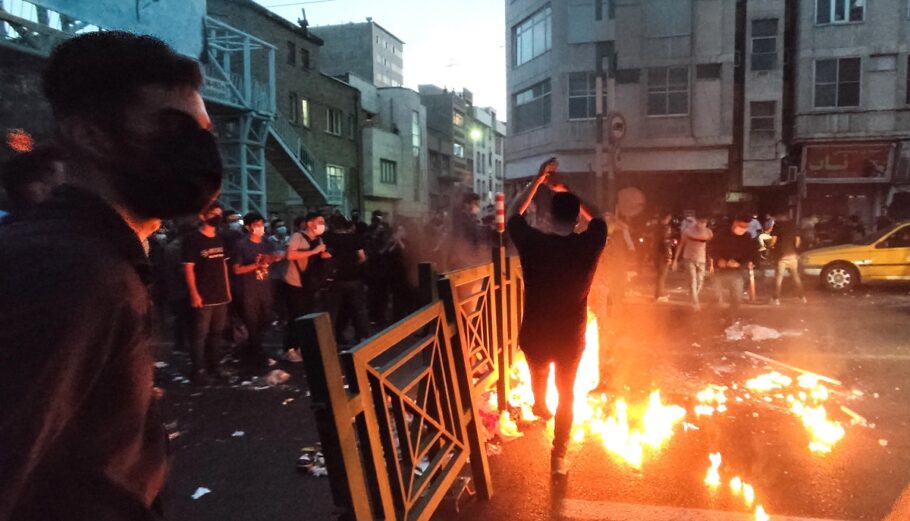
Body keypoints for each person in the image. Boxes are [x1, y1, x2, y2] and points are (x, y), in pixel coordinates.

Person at [0, 31, 221, 520]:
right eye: (171, 128)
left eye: (203, 132)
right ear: (89, 136)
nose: (197, 151)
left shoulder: (100, 255)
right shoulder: (69, 272)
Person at [506, 158, 607, 477]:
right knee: (567, 393)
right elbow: (601, 216)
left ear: (548, 217)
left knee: (539, 377)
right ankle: (559, 456)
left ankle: (538, 403)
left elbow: (512, 214)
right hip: (570, 337)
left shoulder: (534, 243)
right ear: (577, 218)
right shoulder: (588, 245)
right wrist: (567, 188)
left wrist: (537, 181)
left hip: (535, 335)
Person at [182, 203, 233, 384]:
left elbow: (224, 266)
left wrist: (227, 290)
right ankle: (198, 370)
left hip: (220, 295)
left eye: (219, 214)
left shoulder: (219, 238)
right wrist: (194, 294)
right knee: (199, 336)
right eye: (213, 214)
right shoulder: (192, 240)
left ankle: (215, 366)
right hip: (203, 296)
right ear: (203, 216)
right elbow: (188, 269)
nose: (217, 217)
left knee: (216, 334)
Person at [232, 211, 281, 367]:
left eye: (262, 224)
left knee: (265, 318)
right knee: (252, 320)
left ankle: (251, 348)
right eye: (256, 225)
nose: (260, 227)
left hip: (264, 286)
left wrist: (273, 258)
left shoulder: (266, 242)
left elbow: (275, 256)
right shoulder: (242, 245)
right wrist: (256, 265)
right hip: (248, 288)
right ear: (248, 227)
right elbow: (237, 269)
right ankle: (256, 353)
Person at [282, 212, 331, 362]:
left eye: (323, 222)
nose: (322, 225)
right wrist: (314, 251)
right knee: (295, 316)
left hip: (310, 283)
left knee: (306, 316)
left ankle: (301, 348)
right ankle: (289, 348)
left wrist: (323, 255)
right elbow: (289, 255)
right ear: (310, 223)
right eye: (320, 221)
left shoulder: (319, 239)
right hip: (294, 282)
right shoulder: (297, 237)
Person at [324, 214, 370, 344]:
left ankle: (328, 339)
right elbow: (362, 257)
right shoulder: (355, 238)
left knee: (332, 312)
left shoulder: (328, 238)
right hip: (354, 279)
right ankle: (363, 337)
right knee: (358, 309)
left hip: (334, 279)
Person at [0, 144, 66, 222]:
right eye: (62, 176)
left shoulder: (7, 226)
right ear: (37, 189)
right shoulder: (72, 223)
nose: (64, 182)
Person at [709, 215, 758, 314]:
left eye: (746, 227)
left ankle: (731, 318)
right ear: (735, 223)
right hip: (720, 272)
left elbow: (750, 254)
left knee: (737, 298)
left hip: (736, 273)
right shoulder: (721, 234)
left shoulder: (746, 237)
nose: (743, 229)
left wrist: (740, 263)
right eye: (741, 226)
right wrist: (719, 260)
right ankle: (712, 319)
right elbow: (711, 249)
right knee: (716, 298)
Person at [673, 214, 714, 311]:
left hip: (702, 260)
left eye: (704, 223)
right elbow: (681, 244)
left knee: (700, 282)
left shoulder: (709, 233)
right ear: (697, 222)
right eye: (700, 222)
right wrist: (675, 259)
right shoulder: (688, 232)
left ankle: (693, 297)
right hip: (689, 258)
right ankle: (695, 303)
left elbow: (710, 248)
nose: (701, 225)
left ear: (706, 223)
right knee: (693, 280)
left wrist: (711, 262)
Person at [770, 213, 806, 305]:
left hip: (782, 255)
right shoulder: (793, 226)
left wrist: (770, 246)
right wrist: (795, 250)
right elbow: (798, 241)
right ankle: (802, 297)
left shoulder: (777, 226)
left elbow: (773, 241)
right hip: (792, 255)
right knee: (796, 276)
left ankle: (776, 299)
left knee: (779, 277)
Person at [654, 211, 674, 302]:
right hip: (663, 255)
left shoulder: (656, 228)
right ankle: (659, 295)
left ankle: (659, 294)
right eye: (668, 218)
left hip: (657, 254)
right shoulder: (666, 228)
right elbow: (665, 243)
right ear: (666, 218)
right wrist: (668, 256)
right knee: (662, 275)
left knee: (659, 275)